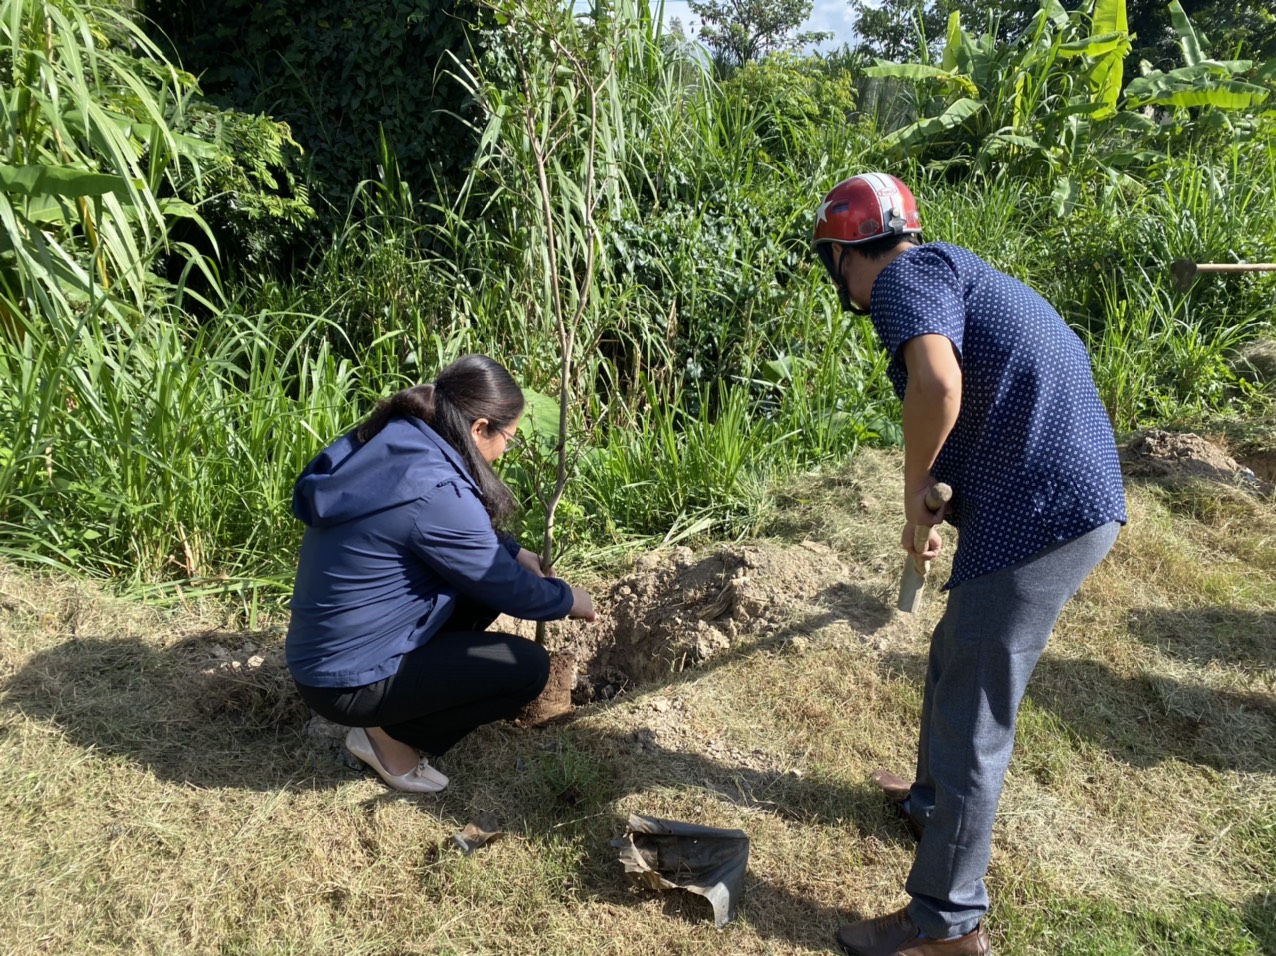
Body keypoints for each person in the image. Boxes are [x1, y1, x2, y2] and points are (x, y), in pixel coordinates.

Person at [812, 173, 1126, 955]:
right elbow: (989, 384)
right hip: (1056, 492)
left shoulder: (904, 279)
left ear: (848, 254)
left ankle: (948, 927)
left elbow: (940, 380)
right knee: (956, 652)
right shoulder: (950, 266)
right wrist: (950, 493)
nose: (841, 279)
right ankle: (929, 804)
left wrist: (916, 485)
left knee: (973, 713)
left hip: (1046, 511)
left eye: (835, 262)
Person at [285, 354, 597, 794]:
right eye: (508, 436)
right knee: (525, 667)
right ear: (479, 428)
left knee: (483, 588)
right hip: (348, 681)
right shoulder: (437, 490)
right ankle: (385, 735)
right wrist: (568, 600)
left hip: (326, 653)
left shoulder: (401, 440)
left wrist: (514, 549)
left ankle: (410, 693)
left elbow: (449, 535)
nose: (506, 448)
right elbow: (508, 588)